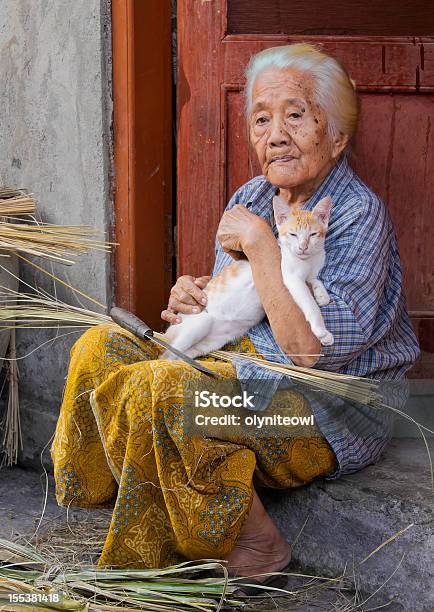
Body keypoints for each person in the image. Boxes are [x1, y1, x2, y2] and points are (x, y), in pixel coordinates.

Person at [51, 44, 420, 587]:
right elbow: (240, 304)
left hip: (317, 416)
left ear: (336, 136)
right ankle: (113, 511)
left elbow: (307, 352)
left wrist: (263, 244)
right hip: (244, 378)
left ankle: (251, 544)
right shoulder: (253, 195)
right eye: (261, 119)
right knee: (99, 348)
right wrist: (193, 296)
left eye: (295, 115)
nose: (274, 134)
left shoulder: (356, 213)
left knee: (169, 391)